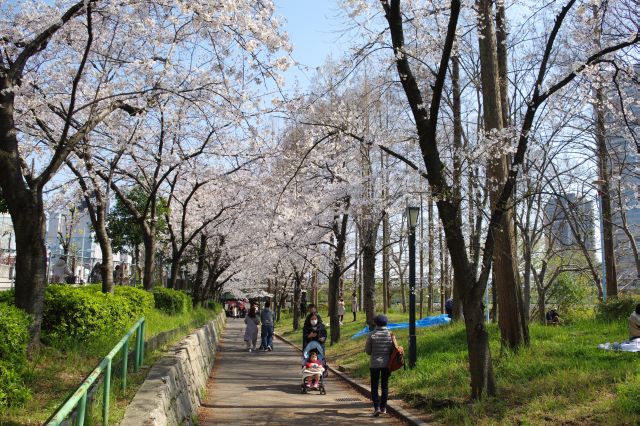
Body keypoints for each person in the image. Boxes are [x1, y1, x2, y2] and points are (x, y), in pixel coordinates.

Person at [365, 314, 393, 417]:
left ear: (376, 323)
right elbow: (392, 350)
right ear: (386, 323)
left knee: (374, 385)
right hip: (387, 364)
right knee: (385, 385)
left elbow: (368, 351)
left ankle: (376, 408)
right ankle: (384, 408)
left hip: (374, 364)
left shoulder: (372, 335)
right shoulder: (390, 334)